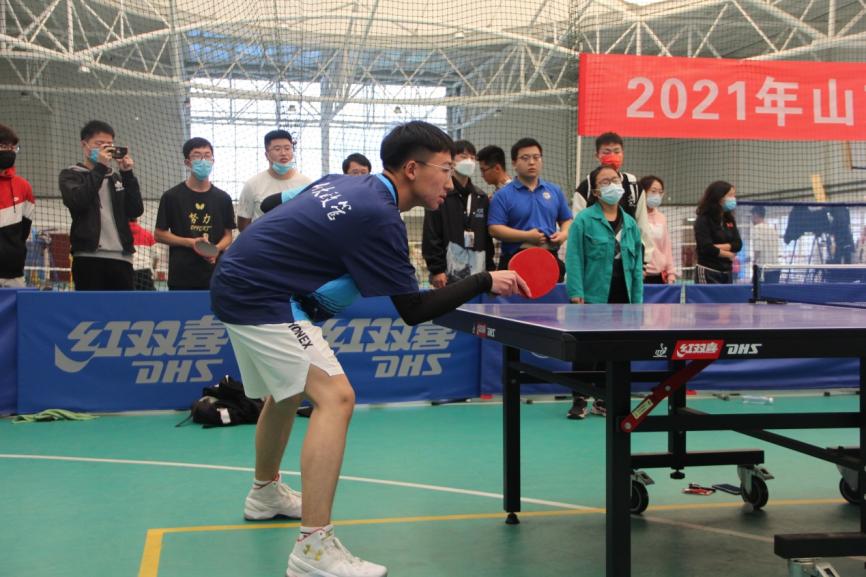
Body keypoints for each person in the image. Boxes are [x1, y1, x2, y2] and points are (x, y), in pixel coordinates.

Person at [210, 121, 527, 577]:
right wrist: (484, 280)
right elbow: (414, 310)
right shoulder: (379, 217)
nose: (451, 181)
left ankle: (265, 494)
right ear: (412, 169)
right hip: (262, 296)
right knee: (336, 397)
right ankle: (313, 548)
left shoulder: (344, 183)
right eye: (445, 169)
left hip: (238, 279)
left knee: (287, 391)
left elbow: (273, 204)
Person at [565, 165, 643, 419]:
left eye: (615, 180)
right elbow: (574, 257)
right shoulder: (584, 220)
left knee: (614, 350)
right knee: (587, 350)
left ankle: (603, 398)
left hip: (623, 296)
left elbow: (636, 267)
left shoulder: (630, 223)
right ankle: (579, 399)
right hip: (593, 295)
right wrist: (576, 292)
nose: (613, 185)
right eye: (606, 181)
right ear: (597, 191)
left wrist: (637, 302)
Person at [59, 120, 143, 290]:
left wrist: (127, 174)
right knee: (90, 305)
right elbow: (78, 201)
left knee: (123, 306)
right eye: (99, 144)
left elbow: (135, 210)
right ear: (85, 145)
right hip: (88, 256)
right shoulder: (71, 175)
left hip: (121, 257)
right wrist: (100, 167)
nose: (106, 149)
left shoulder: (116, 178)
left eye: (109, 145)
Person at [155, 137, 235, 290]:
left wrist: (216, 249)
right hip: (182, 276)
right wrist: (190, 242)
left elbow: (228, 235)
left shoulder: (223, 198)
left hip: (216, 275)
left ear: (213, 160)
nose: (203, 160)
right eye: (197, 156)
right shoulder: (171, 196)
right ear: (187, 162)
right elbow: (159, 234)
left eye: (207, 155)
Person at [488, 137, 572, 278]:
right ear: (514, 163)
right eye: (525, 158)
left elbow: (567, 220)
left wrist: (563, 234)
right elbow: (494, 229)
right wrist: (527, 236)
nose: (532, 162)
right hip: (515, 259)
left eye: (536, 157)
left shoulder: (555, 190)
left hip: (549, 257)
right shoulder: (502, 195)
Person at [422, 139, 495, 288]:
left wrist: (490, 268)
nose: (469, 161)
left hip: (478, 273)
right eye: (463, 156)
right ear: (452, 161)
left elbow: (487, 238)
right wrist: (437, 269)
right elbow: (431, 233)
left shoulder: (481, 197)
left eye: (473, 158)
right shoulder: (440, 194)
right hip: (447, 276)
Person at [573, 132, 653, 264]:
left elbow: (643, 226)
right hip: (595, 262)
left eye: (617, 151)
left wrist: (644, 261)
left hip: (628, 261)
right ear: (597, 156)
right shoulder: (585, 188)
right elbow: (577, 231)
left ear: (623, 154)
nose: (612, 156)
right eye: (607, 152)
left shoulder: (634, 186)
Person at [237, 130, 311, 231]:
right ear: (267, 155)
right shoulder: (252, 184)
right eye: (277, 149)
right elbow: (243, 225)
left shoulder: (306, 183)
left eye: (287, 148)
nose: (283, 153)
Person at [0, 124, 35, 288]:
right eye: (3, 146)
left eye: (12, 147)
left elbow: (24, 231)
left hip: (14, 274)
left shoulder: (24, 186)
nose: (9, 151)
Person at [694, 181, 741, 284]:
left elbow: (738, 244)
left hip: (727, 272)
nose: (733, 199)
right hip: (708, 271)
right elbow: (706, 247)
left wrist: (715, 247)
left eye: (734, 195)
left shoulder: (729, 219)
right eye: (730, 195)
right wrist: (729, 254)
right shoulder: (703, 219)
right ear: (719, 198)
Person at [639, 175, 677, 284]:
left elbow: (666, 247)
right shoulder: (635, 217)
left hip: (659, 275)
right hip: (641, 274)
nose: (657, 195)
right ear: (643, 192)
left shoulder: (662, 218)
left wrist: (671, 272)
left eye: (660, 192)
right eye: (653, 191)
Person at [750, 205, 780, 283]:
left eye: (752, 216)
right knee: (773, 291)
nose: (751, 219)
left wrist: (754, 262)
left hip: (763, 270)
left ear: (755, 215)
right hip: (775, 269)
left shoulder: (756, 228)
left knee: (755, 290)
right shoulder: (773, 230)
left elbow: (757, 250)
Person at [129, 219, 158, 290]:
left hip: (128, 271)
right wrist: (153, 268)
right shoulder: (147, 234)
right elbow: (156, 257)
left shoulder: (121, 234)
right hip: (145, 272)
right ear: (136, 219)